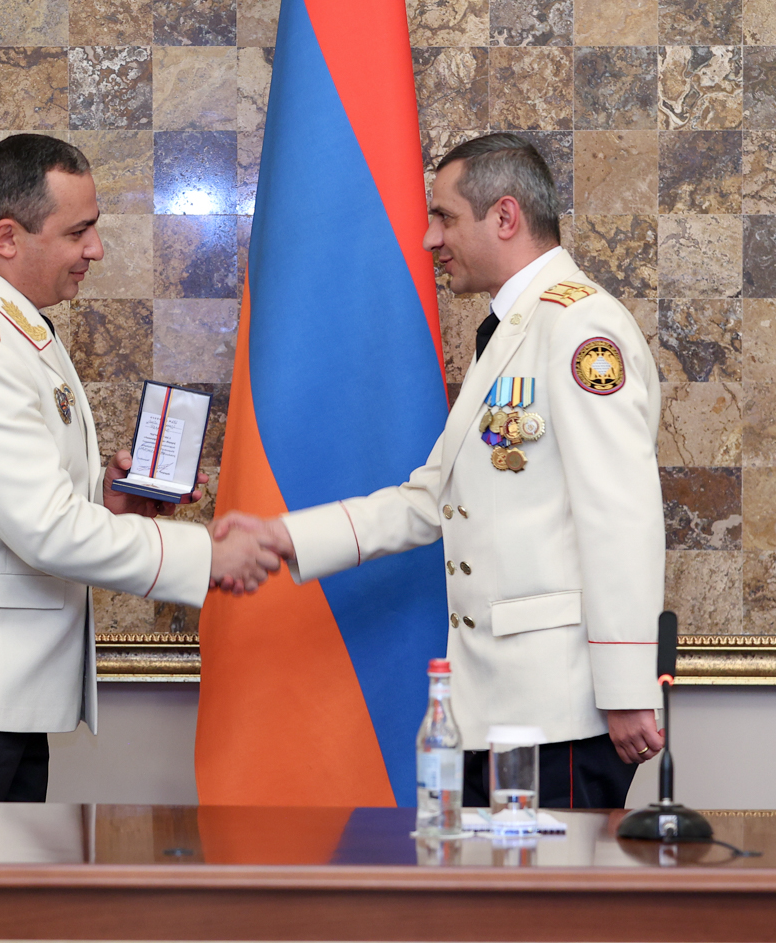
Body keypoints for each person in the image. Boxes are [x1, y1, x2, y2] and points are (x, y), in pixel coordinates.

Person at [220, 133, 664, 809]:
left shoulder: (580, 330)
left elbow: (621, 515)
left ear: (505, 216)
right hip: (500, 707)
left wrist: (628, 688)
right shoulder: (513, 330)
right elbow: (432, 499)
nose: (430, 239)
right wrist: (283, 536)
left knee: (556, 881)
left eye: (445, 217)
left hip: (563, 710)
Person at [0, 134, 279, 803]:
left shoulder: (7, 323)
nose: (95, 249)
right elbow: (43, 528)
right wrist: (207, 557)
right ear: (8, 238)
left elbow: (13, 498)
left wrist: (107, 499)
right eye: (79, 231)